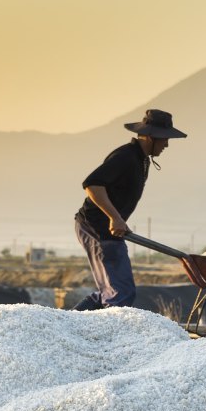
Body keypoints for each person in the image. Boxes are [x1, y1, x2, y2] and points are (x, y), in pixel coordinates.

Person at [72, 109, 187, 311]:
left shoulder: (141, 159)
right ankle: (101, 339)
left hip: (108, 228)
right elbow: (92, 185)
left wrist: (117, 221)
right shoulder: (125, 156)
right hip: (96, 226)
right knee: (121, 294)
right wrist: (115, 218)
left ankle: (66, 325)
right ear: (151, 137)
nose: (167, 145)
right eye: (165, 139)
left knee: (114, 292)